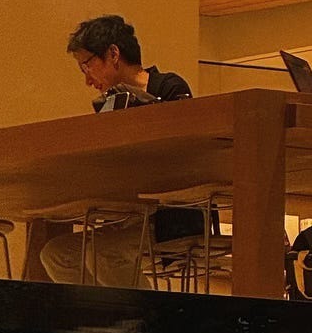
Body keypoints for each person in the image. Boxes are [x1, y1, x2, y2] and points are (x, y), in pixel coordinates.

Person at [41, 16, 205, 288]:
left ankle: (144, 325)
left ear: (113, 54)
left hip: (172, 218)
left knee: (103, 254)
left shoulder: (170, 88)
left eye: (88, 66)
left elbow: (183, 155)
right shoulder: (110, 104)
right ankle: (102, 322)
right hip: (131, 216)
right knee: (56, 254)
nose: (87, 80)